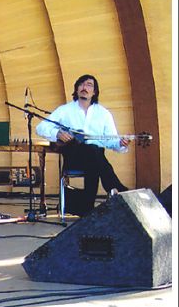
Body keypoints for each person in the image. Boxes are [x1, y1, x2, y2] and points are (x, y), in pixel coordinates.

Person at [36, 74, 129, 216]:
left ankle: (87, 209)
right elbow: (40, 127)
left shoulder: (103, 113)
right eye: (81, 84)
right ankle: (116, 188)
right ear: (77, 89)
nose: (84, 87)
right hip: (73, 157)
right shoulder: (65, 110)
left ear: (95, 92)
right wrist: (57, 133)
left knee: (94, 153)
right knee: (94, 152)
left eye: (89, 85)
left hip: (95, 158)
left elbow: (110, 140)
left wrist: (120, 143)